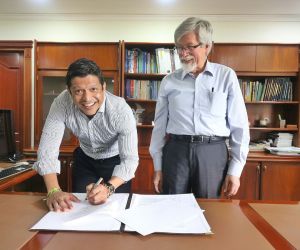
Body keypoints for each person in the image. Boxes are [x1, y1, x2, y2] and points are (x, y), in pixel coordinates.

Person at [149, 17, 250, 198]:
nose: (182, 53)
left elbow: (240, 126)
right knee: (171, 209)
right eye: (179, 47)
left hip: (212, 152)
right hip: (176, 151)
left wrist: (235, 170)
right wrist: (158, 167)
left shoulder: (226, 76)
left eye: (189, 46)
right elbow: (159, 127)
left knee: (209, 211)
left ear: (207, 46)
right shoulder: (169, 81)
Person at [34, 58, 139, 211]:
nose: (87, 99)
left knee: (114, 211)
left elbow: (129, 160)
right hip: (85, 160)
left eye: (93, 89)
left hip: (115, 162)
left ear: (103, 87)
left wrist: (109, 188)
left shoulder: (120, 110)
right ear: (69, 91)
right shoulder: (61, 103)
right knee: (80, 208)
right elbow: (47, 150)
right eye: (78, 91)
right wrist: (54, 191)